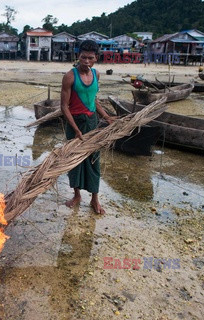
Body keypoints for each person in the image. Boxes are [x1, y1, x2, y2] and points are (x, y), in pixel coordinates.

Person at [60, 40, 114, 214]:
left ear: (96, 58)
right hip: (74, 123)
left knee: (93, 160)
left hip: (92, 123)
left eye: (90, 58)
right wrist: (75, 130)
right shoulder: (70, 76)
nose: (86, 61)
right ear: (78, 56)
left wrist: (106, 116)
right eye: (83, 57)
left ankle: (94, 199)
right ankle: (77, 195)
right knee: (74, 160)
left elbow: (94, 100)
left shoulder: (96, 75)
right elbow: (64, 106)